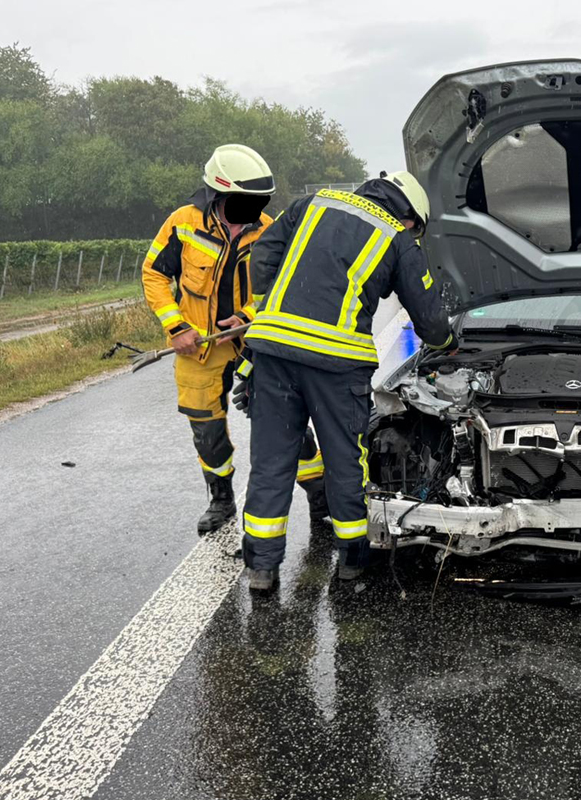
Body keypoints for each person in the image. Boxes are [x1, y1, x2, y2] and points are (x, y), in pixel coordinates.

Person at [236, 171, 453, 592]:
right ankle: (352, 561)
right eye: (416, 228)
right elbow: (428, 316)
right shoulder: (396, 237)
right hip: (337, 366)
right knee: (345, 462)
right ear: (410, 216)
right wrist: (447, 343)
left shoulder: (313, 203)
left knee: (270, 462)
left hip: (273, 354)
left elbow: (262, 255)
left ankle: (261, 569)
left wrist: (270, 311)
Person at [141, 144, 329, 534]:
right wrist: (176, 328)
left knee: (286, 420)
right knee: (206, 430)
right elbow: (154, 274)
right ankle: (221, 498)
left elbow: (281, 286)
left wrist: (246, 317)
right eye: (245, 201)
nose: (253, 209)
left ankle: (319, 494)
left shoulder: (270, 229)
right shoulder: (182, 223)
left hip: (254, 343)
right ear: (218, 193)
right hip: (199, 347)